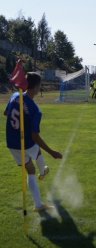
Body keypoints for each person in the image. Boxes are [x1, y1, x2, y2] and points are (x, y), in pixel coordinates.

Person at [3, 72, 62, 212]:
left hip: (11, 143)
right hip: (26, 141)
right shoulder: (35, 109)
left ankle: (39, 204)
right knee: (38, 151)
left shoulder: (14, 96)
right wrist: (52, 152)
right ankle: (42, 173)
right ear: (36, 86)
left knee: (30, 170)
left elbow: (6, 113)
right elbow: (35, 137)